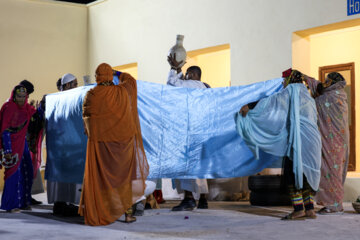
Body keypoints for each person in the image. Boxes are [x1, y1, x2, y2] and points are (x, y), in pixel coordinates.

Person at [235, 69, 321, 220]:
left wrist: (250, 106)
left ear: (290, 80)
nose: (283, 83)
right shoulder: (308, 97)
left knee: (291, 173)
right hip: (313, 141)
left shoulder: (291, 91)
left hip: (299, 141)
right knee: (307, 174)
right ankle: (310, 209)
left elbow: (270, 104)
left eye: (284, 80)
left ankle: (299, 209)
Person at [79, 63, 149, 226]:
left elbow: (86, 118)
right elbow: (131, 80)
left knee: (101, 179)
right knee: (125, 179)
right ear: (110, 76)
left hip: (101, 145)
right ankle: (128, 215)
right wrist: (118, 73)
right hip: (123, 145)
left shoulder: (91, 94)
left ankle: (101, 211)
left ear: (97, 77)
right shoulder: (122, 91)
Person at [167, 53, 210, 211]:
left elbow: (172, 83)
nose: (184, 77)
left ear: (192, 75)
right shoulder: (206, 87)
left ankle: (189, 198)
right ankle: (204, 200)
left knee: (185, 164)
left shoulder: (192, 84)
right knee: (202, 166)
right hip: (203, 131)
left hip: (189, 132)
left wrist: (174, 67)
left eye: (186, 74)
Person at [304, 72, 349, 214]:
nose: (325, 83)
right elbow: (319, 87)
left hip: (334, 142)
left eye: (327, 81)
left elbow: (314, 102)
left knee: (332, 171)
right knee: (332, 170)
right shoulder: (339, 94)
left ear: (333, 83)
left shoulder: (332, 97)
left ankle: (334, 204)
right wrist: (306, 78)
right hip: (337, 142)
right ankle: (333, 203)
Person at [0, 85, 44, 212]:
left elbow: (35, 115)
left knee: (27, 172)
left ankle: (24, 202)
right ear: (14, 96)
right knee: (13, 175)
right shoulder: (9, 107)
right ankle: (10, 204)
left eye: (23, 96)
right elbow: (4, 130)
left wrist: (41, 107)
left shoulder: (26, 108)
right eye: (19, 96)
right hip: (12, 145)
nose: (21, 99)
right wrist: (7, 150)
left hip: (22, 143)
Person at [46, 73, 81, 216]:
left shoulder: (70, 99)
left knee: (69, 177)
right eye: (74, 84)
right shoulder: (56, 99)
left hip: (70, 145)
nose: (76, 86)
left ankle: (67, 203)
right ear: (67, 85)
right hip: (60, 146)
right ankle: (59, 205)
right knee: (61, 177)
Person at [19, 80, 44, 205]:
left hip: (24, 143)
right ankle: (21, 198)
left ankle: (27, 197)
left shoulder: (23, 103)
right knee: (22, 172)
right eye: (27, 94)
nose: (27, 97)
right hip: (17, 144)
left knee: (28, 170)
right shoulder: (13, 104)